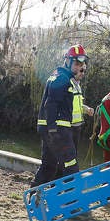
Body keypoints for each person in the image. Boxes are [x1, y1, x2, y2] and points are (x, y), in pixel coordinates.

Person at [31, 45, 88, 187]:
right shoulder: (62, 79)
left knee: (49, 165)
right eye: (77, 64)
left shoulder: (61, 76)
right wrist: (52, 129)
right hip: (58, 128)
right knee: (71, 166)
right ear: (68, 62)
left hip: (53, 128)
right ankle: (71, 202)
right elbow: (50, 104)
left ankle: (35, 194)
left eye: (82, 64)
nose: (79, 68)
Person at [70, 65, 94, 157]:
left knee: (73, 153)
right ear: (74, 69)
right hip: (68, 126)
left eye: (84, 71)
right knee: (68, 155)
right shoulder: (69, 84)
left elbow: (77, 105)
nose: (83, 73)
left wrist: (86, 109)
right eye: (81, 71)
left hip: (77, 126)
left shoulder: (77, 85)